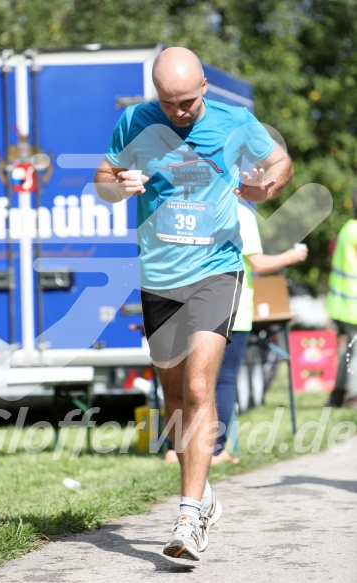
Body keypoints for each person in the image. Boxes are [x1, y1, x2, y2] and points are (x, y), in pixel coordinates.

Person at [94, 47, 293, 561]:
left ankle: (187, 517)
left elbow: (279, 162)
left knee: (202, 385)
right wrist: (120, 186)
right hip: (159, 277)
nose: (178, 112)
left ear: (204, 86)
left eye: (185, 101)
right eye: (168, 103)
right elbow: (103, 179)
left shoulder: (236, 121)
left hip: (216, 270)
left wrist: (264, 186)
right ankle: (203, 495)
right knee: (177, 397)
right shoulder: (134, 121)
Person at [165, 202, 308, 466]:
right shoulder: (240, 213)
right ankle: (216, 451)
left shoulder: (186, 207)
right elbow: (259, 263)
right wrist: (291, 256)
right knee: (223, 380)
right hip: (233, 307)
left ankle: (175, 448)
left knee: (186, 378)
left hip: (186, 306)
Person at [326, 189, 357, 409]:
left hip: (343, 304)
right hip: (352, 303)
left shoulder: (347, 228)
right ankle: (354, 397)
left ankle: (337, 394)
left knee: (351, 348)